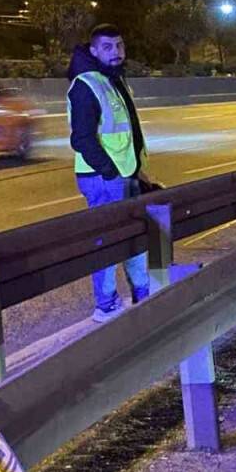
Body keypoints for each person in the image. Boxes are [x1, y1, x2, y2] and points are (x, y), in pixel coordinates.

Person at [67, 24, 160, 321]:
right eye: (107, 47)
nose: (116, 52)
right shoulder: (86, 84)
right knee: (108, 243)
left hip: (126, 175)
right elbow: (81, 139)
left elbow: (128, 131)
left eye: (119, 45)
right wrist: (110, 172)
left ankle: (143, 293)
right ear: (93, 50)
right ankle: (104, 305)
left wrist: (138, 174)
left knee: (134, 238)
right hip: (103, 179)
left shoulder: (114, 80)